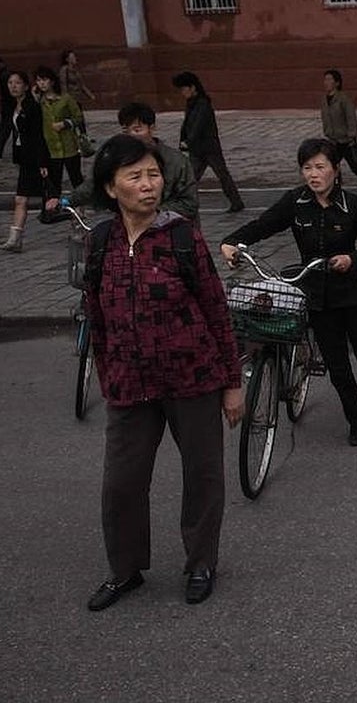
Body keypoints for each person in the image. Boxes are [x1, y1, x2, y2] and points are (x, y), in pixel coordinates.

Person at [83, 134, 243, 611]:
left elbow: (216, 310)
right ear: (111, 187)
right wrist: (106, 373)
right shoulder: (100, 242)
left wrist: (232, 383)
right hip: (129, 385)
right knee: (121, 483)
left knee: (203, 475)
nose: (148, 185)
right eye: (135, 176)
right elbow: (96, 316)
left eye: (153, 174)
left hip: (193, 378)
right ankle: (126, 569)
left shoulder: (181, 236)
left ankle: (201, 563)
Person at [220, 139, 357, 449]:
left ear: (336, 170)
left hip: (353, 297)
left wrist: (353, 259)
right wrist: (232, 241)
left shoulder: (353, 205)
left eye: (320, 167)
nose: (313, 174)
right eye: (307, 168)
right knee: (338, 368)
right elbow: (263, 225)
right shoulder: (296, 202)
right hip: (317, 299)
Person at [54, 102, 200, 223]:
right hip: (130, 229)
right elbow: (94, 185)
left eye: (137, 130)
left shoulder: (176, 161)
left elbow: (189, 203)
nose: (131, 136)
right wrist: (66, 201)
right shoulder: (116, 158)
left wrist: (149, 211)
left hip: (170, 230)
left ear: (152, 129)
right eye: (126, 130)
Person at [171, 71, 244, 212]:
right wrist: (183, 140)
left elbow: (198, 126)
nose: (182, 93)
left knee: (222, 175)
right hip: (197, 149)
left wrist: (188, 141)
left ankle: (236, 202)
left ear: (192, 87)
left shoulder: (202, 103)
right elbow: (187, 124)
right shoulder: (192, 103)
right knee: (191, 178)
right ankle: (183, 203)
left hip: (209, 148)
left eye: (184, 89)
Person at [0, 71, 49, 252]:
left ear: (26, 86)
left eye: (17, 83)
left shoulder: (32, 107)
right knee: (21, 199)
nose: (13, 86)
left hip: (36, 158)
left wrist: (42, 162)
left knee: (50, 197)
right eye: (10, 83)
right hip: (25, 158)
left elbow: (38, 136)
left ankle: (78, 223)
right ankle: (14, 240)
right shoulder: (12, 105)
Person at [34, 66, 85, 206]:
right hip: (51, 148)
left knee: (76, 177)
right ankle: (55, 208)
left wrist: (65, 123)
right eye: (38, 80)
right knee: (54, 181)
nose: (42, 83)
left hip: (69, 145)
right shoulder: (39, 101)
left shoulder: (65, 98)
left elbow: (78, 117)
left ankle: (81, 207)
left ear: (52, 81)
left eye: (44, 80)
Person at [320, 69, 357, 194]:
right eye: (325, 79)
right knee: (332, 164)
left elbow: (351, 117)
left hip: (345, 139)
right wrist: (327, 131)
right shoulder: (324, 99)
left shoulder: (343, 99)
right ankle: (336, 188)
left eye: (329, 79)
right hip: (333, 139)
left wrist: (352, 135)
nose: (326, 82)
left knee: (356, 166)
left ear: (337, 83)